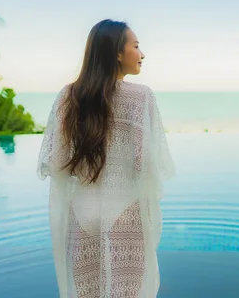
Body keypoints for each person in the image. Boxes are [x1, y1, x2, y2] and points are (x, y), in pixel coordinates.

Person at [36, 19, 176, 297]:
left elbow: (54, 162)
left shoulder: (68, 96)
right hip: (126, 217)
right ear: (116, 52)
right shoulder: (141, 97)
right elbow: (146, 167)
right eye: (136, 46)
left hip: (82, 217)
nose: (142, 54)